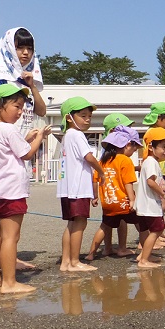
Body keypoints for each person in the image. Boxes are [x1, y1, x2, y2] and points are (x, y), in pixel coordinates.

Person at [0, 84, 50, 293]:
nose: (20, 111)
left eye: (22, 107)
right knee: (11, 237)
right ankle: (10, 283)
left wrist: (26, 139)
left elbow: (6, 151)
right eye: (16, 106)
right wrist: (39, 137)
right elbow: (26, 154)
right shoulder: (8, 128)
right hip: (10, 191)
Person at [57, 97, 104, 272]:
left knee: (71, 224)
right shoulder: (77, 135)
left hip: (68, 188)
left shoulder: (67, 136)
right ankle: (75, 261)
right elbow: (89, 157)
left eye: (89, 116)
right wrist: (101, 171)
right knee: (79, 224)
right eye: (83, 115)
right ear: (69, 118)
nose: (87, 119)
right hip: (78, 189)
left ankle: (65, 262)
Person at [86, 126, 142, 261]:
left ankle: (91, 253)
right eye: (134, 148)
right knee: (142, 225)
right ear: (127, 144)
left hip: (108, 203)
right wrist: (132, 199)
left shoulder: (102, 162)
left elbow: (95, 180)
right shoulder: (125, 160)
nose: (134, 151)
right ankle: (144, 251)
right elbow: (128, 182)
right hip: (123, 201)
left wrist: (95, 197)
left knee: (104, 227)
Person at [0, 28, 46, 132]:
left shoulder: (28, 80)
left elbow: (41, 112)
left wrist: (32, 86)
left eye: (30, 48)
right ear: (8, 48)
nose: (26, 52)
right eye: (20, 48)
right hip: (2, 144)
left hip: (23, 144)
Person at [134, 127, 165, 268]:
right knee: (157, 230)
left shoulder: (150, 162)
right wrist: (163, 194)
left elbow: (155, 182)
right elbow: (150, 182)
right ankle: (144, 260)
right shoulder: (151, 162)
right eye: (163, 147)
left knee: (145, 231)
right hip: (150, 205)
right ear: (151, 146)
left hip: (144, 205)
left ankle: (143, 255)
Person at [141, 102, 165, 188]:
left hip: (160, 174)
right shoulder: (153, 133)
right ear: (158, 118)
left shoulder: (160, 132)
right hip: (153, 174)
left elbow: (163, 163)